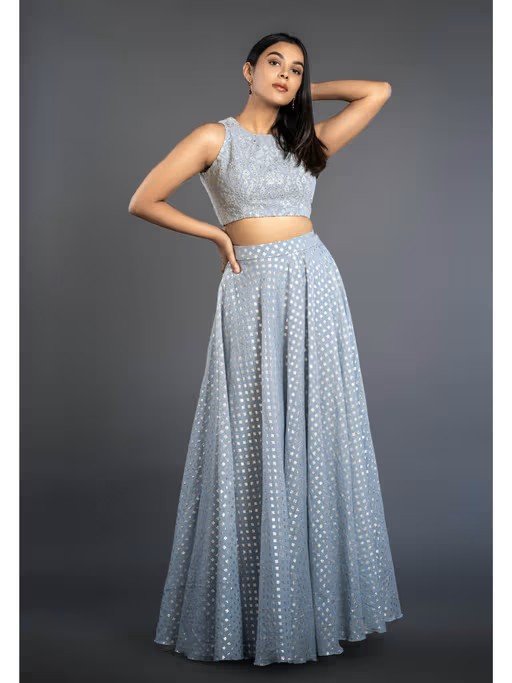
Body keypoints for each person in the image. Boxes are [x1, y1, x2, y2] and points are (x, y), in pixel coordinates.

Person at [128, 32, 403, 667]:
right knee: (252, 432)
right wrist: (214, 235)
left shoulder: (305, 142)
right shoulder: (214, 138)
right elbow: (143, 199)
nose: (285, 75)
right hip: (252, 289)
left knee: (314, 431)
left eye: (296, 70)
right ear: (248, 70)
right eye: (274, 64)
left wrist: (305, 94)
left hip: (313, 286)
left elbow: (378, 92)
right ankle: (254, 611)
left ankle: (315, 610)